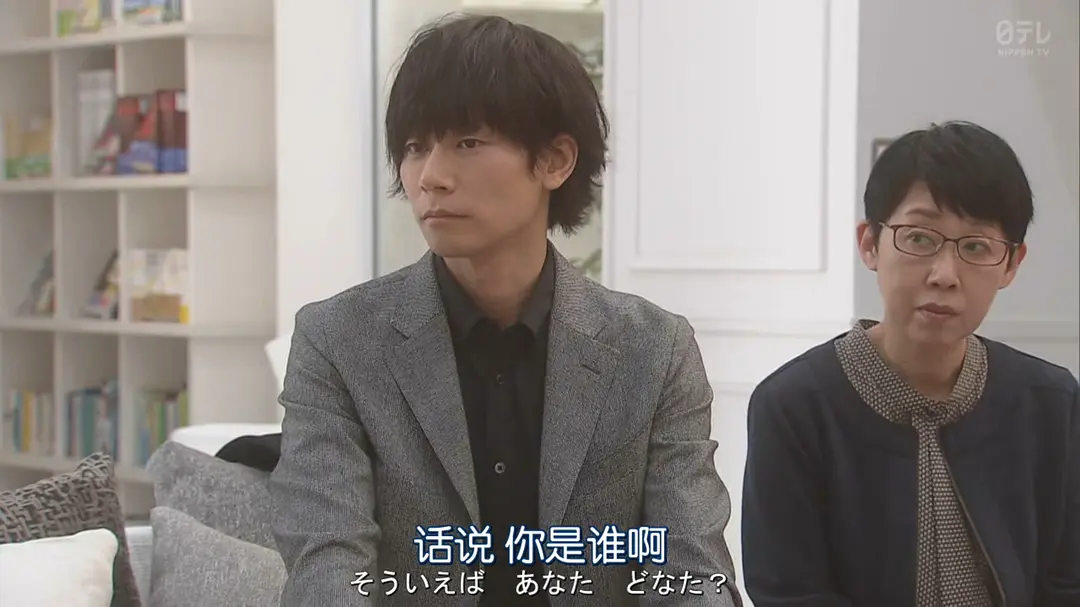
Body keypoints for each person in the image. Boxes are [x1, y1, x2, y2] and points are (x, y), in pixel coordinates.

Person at [270, 14, 741, 606]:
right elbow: (326, 566)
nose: (431, 177)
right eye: (415, 148)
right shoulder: (338, 340)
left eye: (467, 142)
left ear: (555, 160)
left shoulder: (653, 349)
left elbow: (691, 572)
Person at [741, 121, 1079, 607]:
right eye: (919, 238)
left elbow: (1067, 584)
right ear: (869, 244)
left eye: (976, 247)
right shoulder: (794, 405)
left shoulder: (1050, 402)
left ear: (1011, 264)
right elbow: (790, 592)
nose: (945, 275)